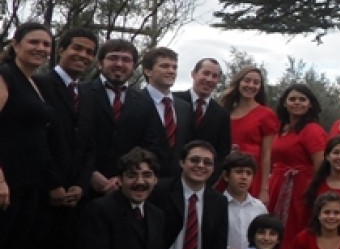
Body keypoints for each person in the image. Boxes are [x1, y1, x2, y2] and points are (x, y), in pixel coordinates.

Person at [32, 27, 96, 249]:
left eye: (89, 52)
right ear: (61, 50)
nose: (83, 56)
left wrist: (81, 185)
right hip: (42, 192)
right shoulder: (40, 84)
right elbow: (38, 140)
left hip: (75, 196)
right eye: (78, 49)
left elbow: (88, 145)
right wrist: (53, 184)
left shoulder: (85, 93)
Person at [0, 23, 58, 249]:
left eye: (46, 44)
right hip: (8, 183)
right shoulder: (5, 75)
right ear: (16, 43)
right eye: (34, 42)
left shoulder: (35, 83)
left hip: (31, 184)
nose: (40, 48)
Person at [80, 39, 161, 201]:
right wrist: (89, 173)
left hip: (127, 190)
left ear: (134, 66)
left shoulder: (145, 102)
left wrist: (122, 177)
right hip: (82, 189)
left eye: (126, 60)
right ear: (100, 63)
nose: (119, 64)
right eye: (113, 58)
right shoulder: (81, 92)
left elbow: (150, 144)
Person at [267, 84, 327, 223]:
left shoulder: (312, 130)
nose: (297, 103)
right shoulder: (280, 129)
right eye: (292, 99)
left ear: (310, 104)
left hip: (301, 189)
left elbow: (321, 167)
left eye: (302, 99)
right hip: (277, 185)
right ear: (285, 103)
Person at [221, 67, 279, 201]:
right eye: (247, 81)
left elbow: (267, 155)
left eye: (256, 82)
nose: (251, 85)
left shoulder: (266, 114)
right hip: (226, 174)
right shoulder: (225, 112)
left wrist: (264, 189)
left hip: (251, 176)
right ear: (238, 83)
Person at [139, 47, 193, 179]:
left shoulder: (184, 107)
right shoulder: (135, 101)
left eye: (174, 67)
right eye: (165, 66)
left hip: (175, 183)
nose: (171, 71)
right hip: (142, 180)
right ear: (148, 70)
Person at [176, 58, 230, 186]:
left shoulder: (222, 114)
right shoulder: (173, 101)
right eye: (206, 73)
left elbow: (222, 153)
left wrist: (206, 180)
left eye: (215, 76)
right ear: (194, 74)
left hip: (203, 183)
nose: (209, 79)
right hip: (170, 178)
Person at [223, 153, 268, 249]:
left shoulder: (259, 208)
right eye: (239, 172)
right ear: (226, 176)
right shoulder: (217, 205)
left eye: (249, 173)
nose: (244, 177)